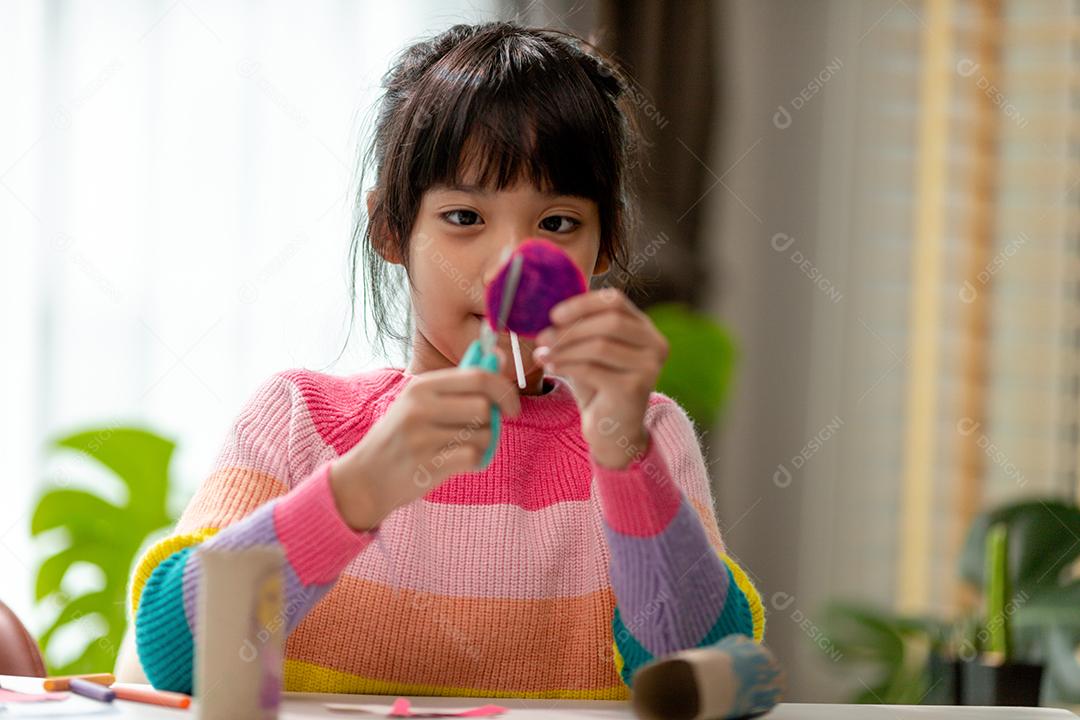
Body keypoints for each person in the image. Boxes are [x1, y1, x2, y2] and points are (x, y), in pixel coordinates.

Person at [129, 20, 764, 699]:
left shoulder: (648, 434)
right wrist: (357, 492)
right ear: (390, 230)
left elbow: (706, 674)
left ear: (602, 246)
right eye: (464, 217)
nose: (507, 264)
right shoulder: (296, 420)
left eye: (557, 223)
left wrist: (625, 458)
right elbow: (178, 658)